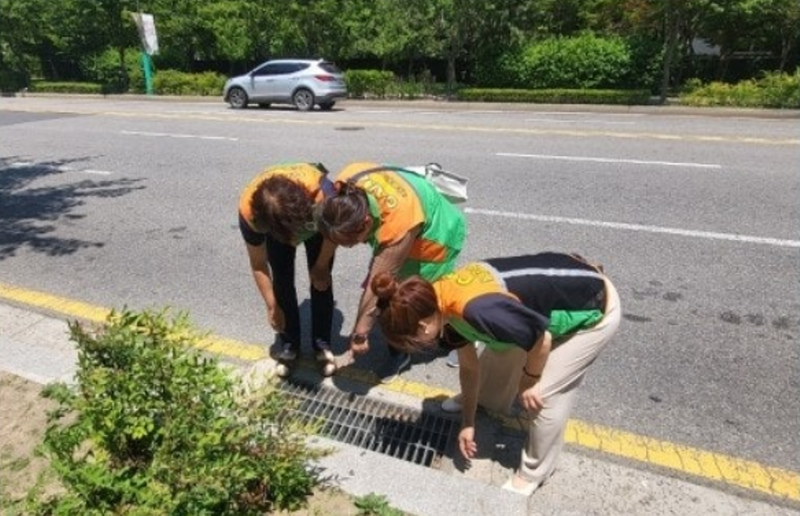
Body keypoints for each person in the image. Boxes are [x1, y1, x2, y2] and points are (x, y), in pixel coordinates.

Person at [369, 252, 621, 495]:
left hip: (594, 308)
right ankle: (485, 402)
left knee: (542, 396)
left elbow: (540, 340)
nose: (417, 347)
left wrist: (529, 381)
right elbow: (469, 367)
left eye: (412, 342)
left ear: (423, 327)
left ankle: (534, 472)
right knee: (498, 355)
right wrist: (468, 423)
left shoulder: (476, 310)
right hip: (549, 298)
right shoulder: (438, 302)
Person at [314, 161, 467, 382]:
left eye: (351, 243)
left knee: (415, 299)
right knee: (392, 292)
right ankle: (405, 345)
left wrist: (359, 335)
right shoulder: (345, 189)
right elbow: (332, 232)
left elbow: (377, 286)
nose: (349, 247)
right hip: (411, 214)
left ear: (366, 223)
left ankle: (461, 338)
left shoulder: (397, 224)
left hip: (435, 239)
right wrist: (320, 267)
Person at [238, 162, 337, 378]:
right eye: (288, 237)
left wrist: (321, 266)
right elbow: (258, 264)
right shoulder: (251, 214)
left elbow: (334, 233)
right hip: (279, 221)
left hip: (313, 221)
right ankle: (290, 344)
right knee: (281, 281)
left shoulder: (323, 195)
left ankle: (322, 343)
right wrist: (272, 306)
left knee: (321, 280)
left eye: (295, 234)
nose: (293, 242)